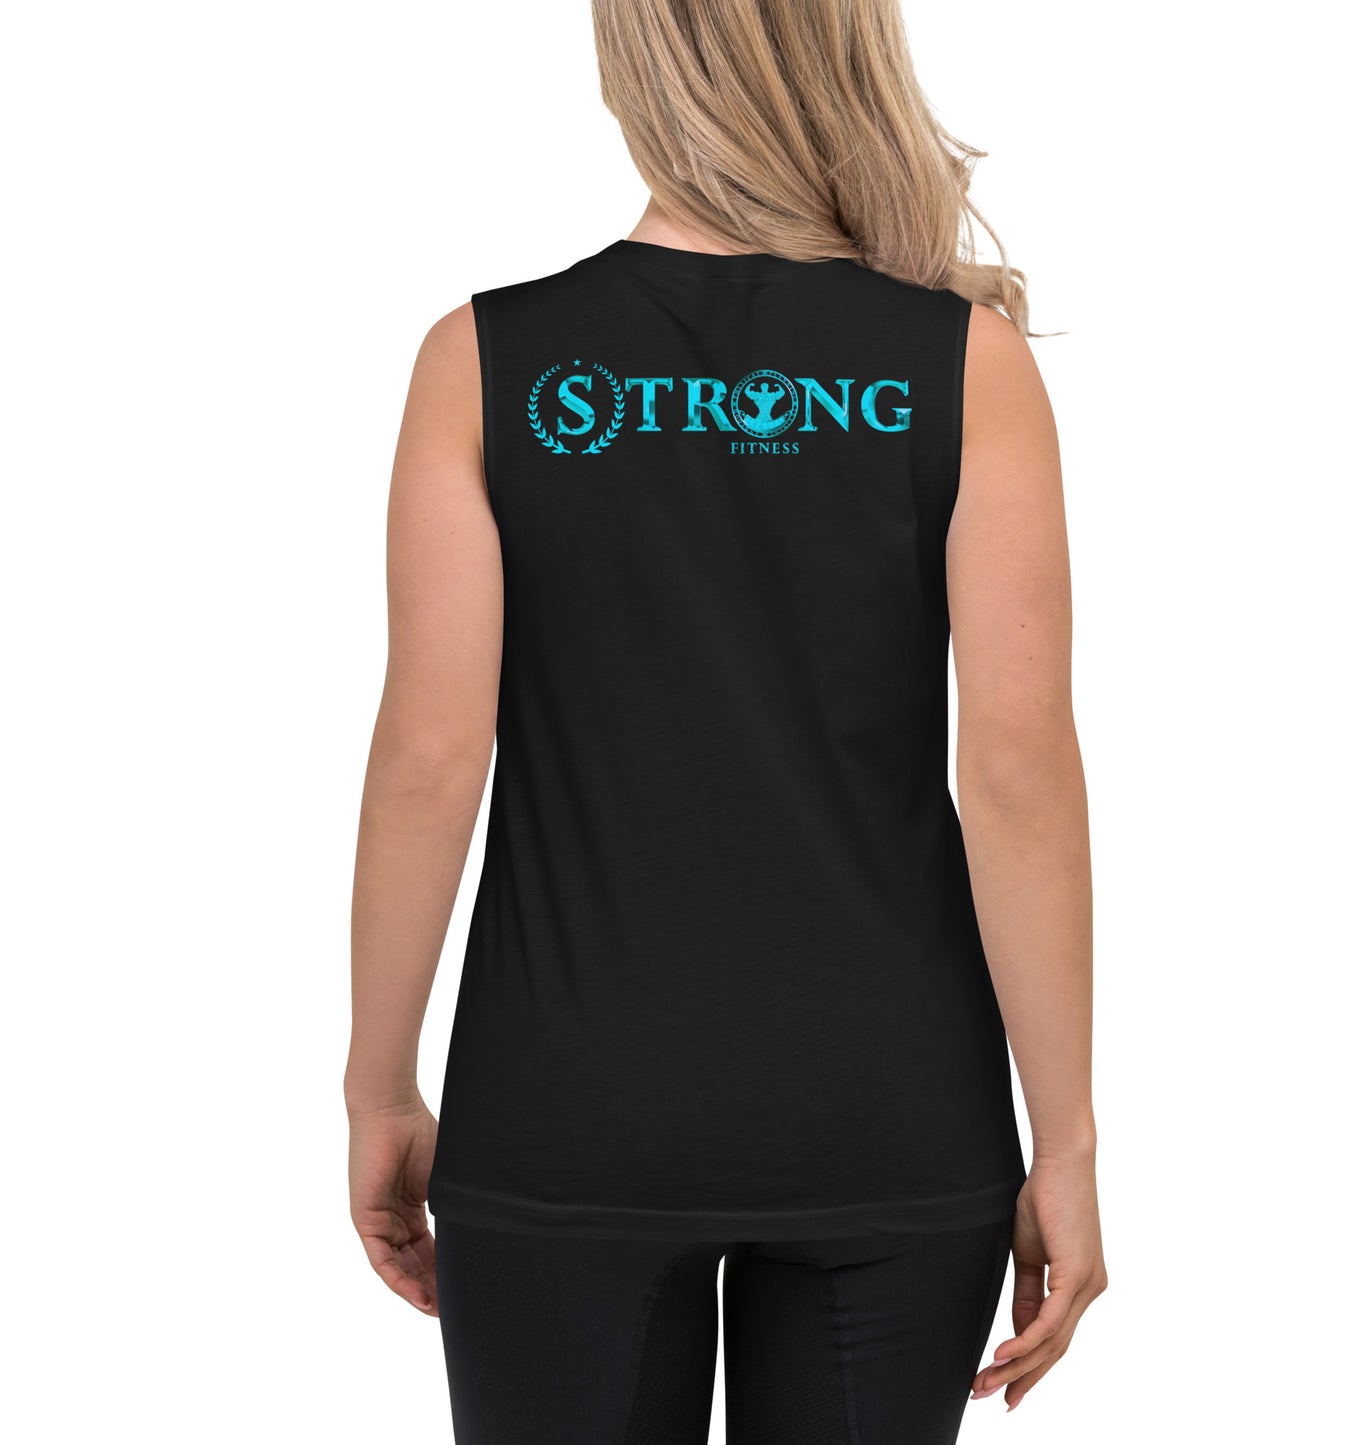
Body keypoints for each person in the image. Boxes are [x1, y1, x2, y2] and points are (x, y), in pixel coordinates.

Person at [345, 2, 1106, 1439]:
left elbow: (428, 762)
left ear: (633, 66)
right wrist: (1062, 1139)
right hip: (890, 1115)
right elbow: (1015, 774)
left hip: (566, 1111)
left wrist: (378, 1087)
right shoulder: (961, 364)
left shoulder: (489, 359)